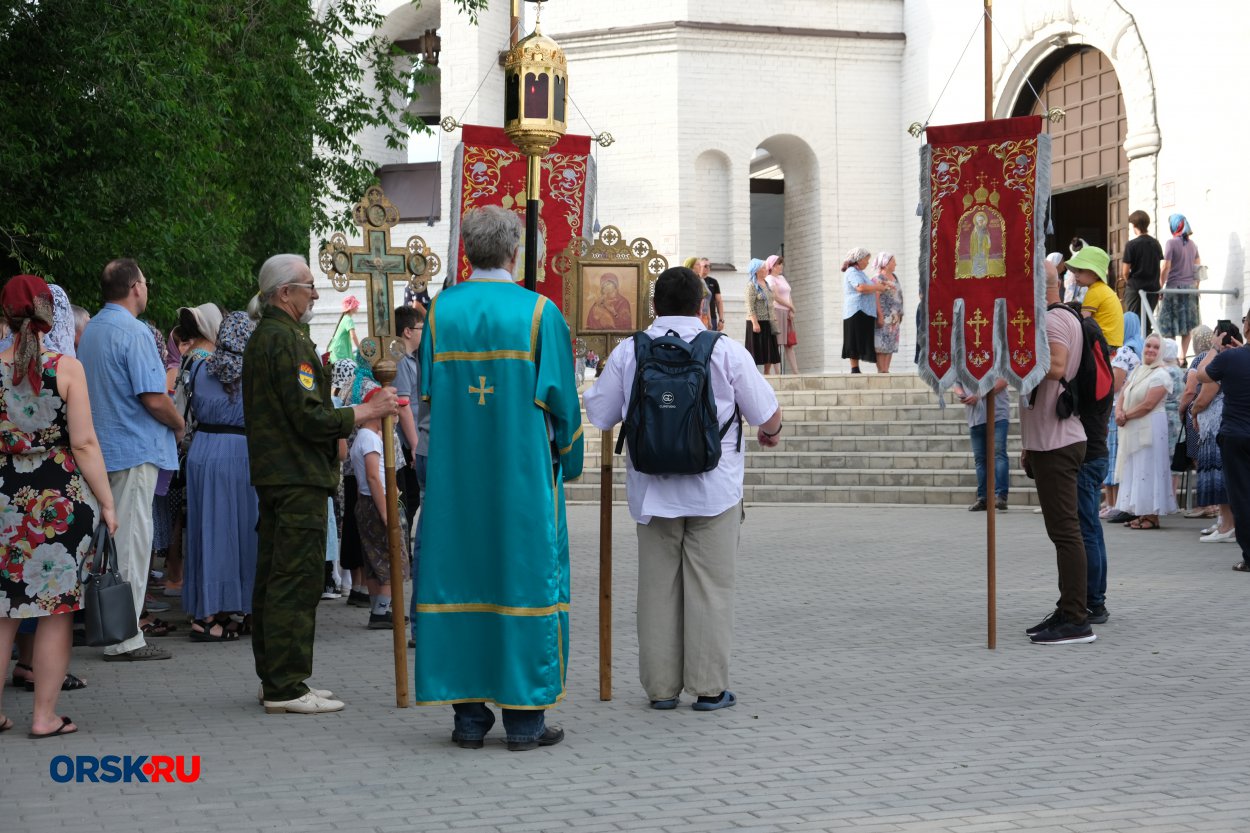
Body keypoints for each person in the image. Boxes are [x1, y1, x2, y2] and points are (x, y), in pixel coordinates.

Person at [413, 205, 583, 751]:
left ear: (466, 252)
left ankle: (467, 720)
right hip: (521, 484)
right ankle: (526, 724)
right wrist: (569, 460)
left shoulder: (441, 313)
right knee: (522, 580)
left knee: (459, 578)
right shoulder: (538, 313)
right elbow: (563, 408)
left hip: (457, 484)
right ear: (516, 252)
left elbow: (430, 402)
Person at [585, 265, 782, 710]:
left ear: (653, 306)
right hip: (715, 491)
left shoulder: (630, 351)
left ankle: (660, 690)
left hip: (652, 492)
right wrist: (772, 431)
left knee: (656, 591)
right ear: (703, 306)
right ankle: (709, 688)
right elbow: (767, 414)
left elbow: (599, 415)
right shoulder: (726, 351)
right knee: (711, 588)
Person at [242, 254, 398, 714]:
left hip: (279, 475)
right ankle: (286, 687)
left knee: (276, 576)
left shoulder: (270, 337)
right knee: (295, 579)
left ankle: (276, 678)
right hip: (295, 477)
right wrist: (366, 411)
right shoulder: (286, 341)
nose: (315, 293)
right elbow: (308, 416)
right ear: (283, 292)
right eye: (308, 286)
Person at [1, 274, 117, 738]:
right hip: (61, 502)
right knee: (54, 610)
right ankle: (44, 717)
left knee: (3, 610)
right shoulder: (66, 368)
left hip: (4, 497)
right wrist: (108, 502)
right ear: (50, 313)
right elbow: (85, 443)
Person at [78, 259, 184, 662]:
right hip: (134, 449)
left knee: (108, 547)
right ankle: (125, 638)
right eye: (145, 281)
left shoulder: (92, 332)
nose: (147, 288)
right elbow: (154, 397)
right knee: (133, 545)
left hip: (100, 450)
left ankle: (109, 627)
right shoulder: (134, 332)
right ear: (136, 288)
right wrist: (178, 424)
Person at [1021, 261, 1093, 645]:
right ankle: (1068, 609)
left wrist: (1015, 362)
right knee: (1062, 532)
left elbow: (1057, 366)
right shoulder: (1060, 317)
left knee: (1066, 533)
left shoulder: (1050, 322)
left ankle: (1077, 618)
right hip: (1049, 440)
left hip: (1059, 442)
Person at [183, 312, 259, 642]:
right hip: (240, 452)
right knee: (241, 533)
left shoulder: (200, 366)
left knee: (207, 531)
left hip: (202, 451)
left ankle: (211, 611)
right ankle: (225, 612)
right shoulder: (255, 370)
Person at [349, 387, 410, 630]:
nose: (396, 414)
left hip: (369, 501)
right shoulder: (370, 438)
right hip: (378, 501)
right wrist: (386, 512)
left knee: (375, 556)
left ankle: (379, 608)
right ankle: (383, 611)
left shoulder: (366, 436)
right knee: (390, 555)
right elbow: (374, 477)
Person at [1196, 318, 1250, 570]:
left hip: (1236, 436)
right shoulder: (1236, 356)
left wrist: (1215, 350)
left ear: (1248, 326)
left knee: (1241, 496)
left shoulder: (1231, 358)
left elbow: (1201, 374)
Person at [1113, 334, 1178, 529]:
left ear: (1162, 352)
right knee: (1137, 468)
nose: (1150, 350)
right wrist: (1118, 410)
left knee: (1149, 468)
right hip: (1133, 424)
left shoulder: (1162, 374)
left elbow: (1149, 404)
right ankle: (1142, 513)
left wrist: (1125, 416)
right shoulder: (1139, 370)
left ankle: (1152, 516)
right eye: (1148, 345)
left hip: (1150, 425)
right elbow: (1124, 392)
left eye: (1156, 347)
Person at [1188, 325, 1233, 542]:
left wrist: (1193, 411)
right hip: (1222, 426)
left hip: (1216, 427)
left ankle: (1227, 525)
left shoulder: (1221, 361)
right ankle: (1225, 523)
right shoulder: (1238, 357)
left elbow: (1204, 382)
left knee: (1220, 477)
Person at [393, 305, 428, 573]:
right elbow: (404, 404)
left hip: (413, 440)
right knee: (407, 501)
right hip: (406, 444)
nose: (423, 333)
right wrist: (415, 446)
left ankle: (405, 555)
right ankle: (401, 557)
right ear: (407, 331)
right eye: (420, 328)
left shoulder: (415, 359)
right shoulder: (400, 361)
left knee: (412, 502)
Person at [1101, 312, 1143, 522]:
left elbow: (1115, 384)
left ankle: (1114, 503)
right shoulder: (1140, 351)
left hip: (1117, 407)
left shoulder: (1125, 351)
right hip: (1131, 408)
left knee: (1114, 456)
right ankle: (1116, 503)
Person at [953, 379, 1009, 511]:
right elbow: (956, 382)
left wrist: (978, 395)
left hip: (997, 414)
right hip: (975, 416)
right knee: (980, 459)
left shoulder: (999, 357)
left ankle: (1000, 496)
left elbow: (1004, 380)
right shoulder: (961, 359)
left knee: (998, 453)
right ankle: (983, 498)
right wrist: (962, 394)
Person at [1159, 214, 1202, 362]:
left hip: (1174, 288)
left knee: (1169, 325)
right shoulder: (1193, 245)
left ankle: (1173, 356)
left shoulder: (1170, 243)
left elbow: (1166, 266)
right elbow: (1198, 268)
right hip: (1190, 289)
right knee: (1188, 325)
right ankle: (1183, 357)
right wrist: (1196, 287)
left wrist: (1160, 285)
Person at [840, 247, 887, 374]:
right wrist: (878, 287)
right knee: (854, 339)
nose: (867, 262)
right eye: (866, 259)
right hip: (856, 310)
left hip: (865, 311)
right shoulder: (852, 272)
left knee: (861, 339)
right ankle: (854, 369)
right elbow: (860, 287)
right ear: (859, 260)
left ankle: (856, 368)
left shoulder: (860, 272)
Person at [1070, 245, 1123, 350]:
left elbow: (1083, 320)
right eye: (1075, 270)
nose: (1076, 274)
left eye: (1080, 270)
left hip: (1103, 341)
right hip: (1114, 341)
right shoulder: (1102, 288)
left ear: (1095, 274)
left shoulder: (1094, 291)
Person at [1121, 210, 1164, 328]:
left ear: (1134, 225)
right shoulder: (1156, 243)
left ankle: (1135, 346)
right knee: (1147, 323)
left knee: (1133, 322)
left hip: (1135, 288)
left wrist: (1128, 281)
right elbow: (1158, 266)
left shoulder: (1131, 245)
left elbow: (1125, 272)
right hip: (1152, 288)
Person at [744, 258, 780, 374]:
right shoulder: (751, 286)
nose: (766, 270)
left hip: (768, 321)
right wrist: (755, 322)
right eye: (763, 268)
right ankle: (754, 374)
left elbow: (771, 302)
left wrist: (774, 317)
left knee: (769, 350)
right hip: (756, 322)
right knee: (756, 350)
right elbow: (749, 305)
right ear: (756, 270)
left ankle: (767, 373)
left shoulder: (767, 284)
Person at [766, 255, 799, 374]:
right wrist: (790, 306)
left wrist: (790, 310)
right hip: (777, 311)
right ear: (772, 266)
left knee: (789, 344)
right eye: (778, 264)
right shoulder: (770, 278)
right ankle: (778, 374)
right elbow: (775, 296)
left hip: (786, 313)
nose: (781, 266)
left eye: (781, 264)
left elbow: (788, 295)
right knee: (777, 343)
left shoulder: (782, 278)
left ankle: (796, 373)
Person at [872, 252, 903, 373]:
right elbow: (875, 297)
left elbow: (899, 296)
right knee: (881, 344)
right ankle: (881, 370)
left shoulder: (895, 277)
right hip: (883, 316)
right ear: (885, 263)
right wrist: (879, 315)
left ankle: (886, 370)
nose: (895, 263)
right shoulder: (879, 278)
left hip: (895, 317)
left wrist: (900, 314)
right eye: (893, 261)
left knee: (891, 344)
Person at [328, 295, 361, 364]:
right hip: (340, 351)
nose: (357, 307)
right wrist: (360, 348)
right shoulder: (348, 320)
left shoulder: (345, 318)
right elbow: (353, 336)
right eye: (356, 305)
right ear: (352, 307)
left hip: (338, 349)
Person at [697, 258, 723, 333]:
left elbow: (719, 301)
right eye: (705, 266)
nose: (708, 268)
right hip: (698, 316)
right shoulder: (695, 280)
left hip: (712, 317)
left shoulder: (713, 282)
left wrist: (721, 320)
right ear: (699, 266)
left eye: (709, 266)